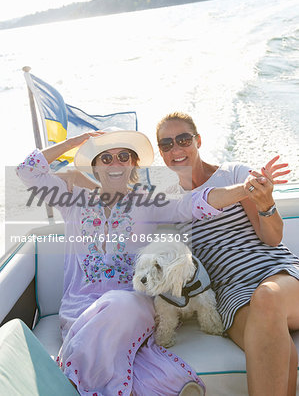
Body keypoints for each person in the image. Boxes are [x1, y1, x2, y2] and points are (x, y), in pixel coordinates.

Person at [16, 129, 259, 396]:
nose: (115, 163)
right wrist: (74, 143)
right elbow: (27, 170)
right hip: (81, 308)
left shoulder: (147, 203)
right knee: (108, 332)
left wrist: (245, 188)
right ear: (95, 167)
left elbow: (194, 203)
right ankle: (153, 384)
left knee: (118, 303)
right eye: (105, 158)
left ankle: (70, 379)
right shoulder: (72, 201)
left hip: (133, 303)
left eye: (123, 156)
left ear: (133, 164)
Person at [156, 112, 299, 396]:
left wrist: (266, 202)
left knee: (267, 297)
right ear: (161, 153)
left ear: (198, 141)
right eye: (166, 144)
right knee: (279, 352)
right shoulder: (166, 202)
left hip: (277, 274)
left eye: (183, 139)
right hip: (230, 295)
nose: (176, 149)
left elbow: (272, 238)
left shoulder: (234, 174)